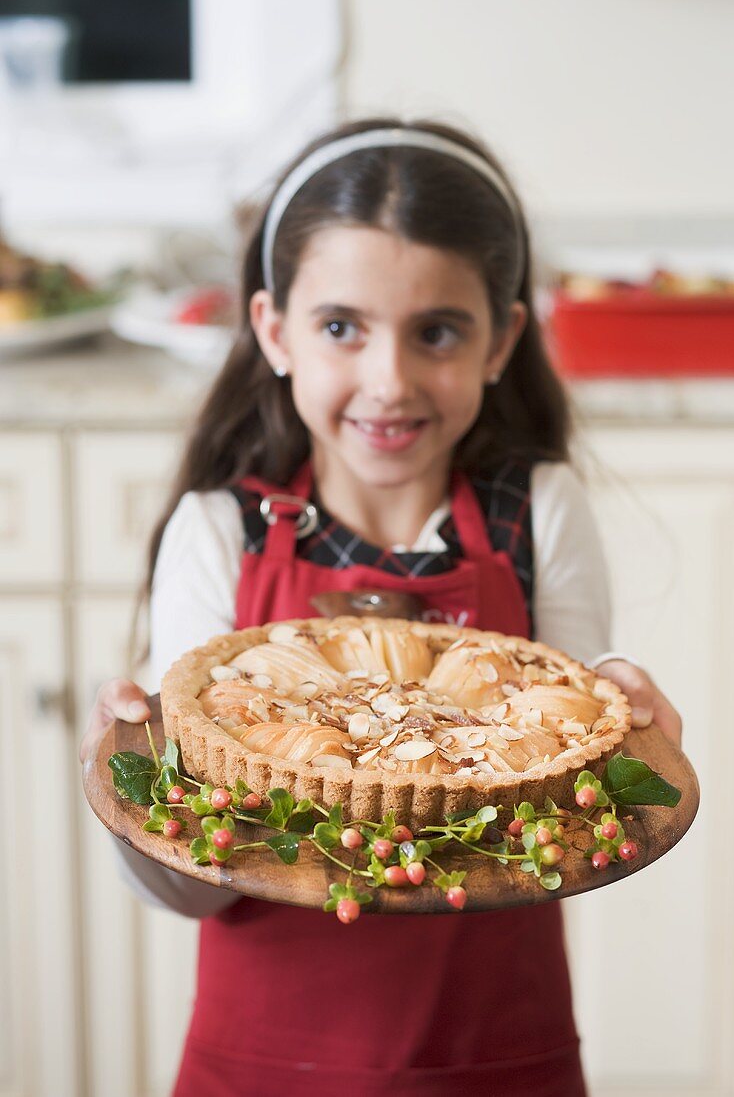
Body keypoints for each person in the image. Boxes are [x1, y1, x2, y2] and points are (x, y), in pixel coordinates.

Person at [81, 117, 682, 1097]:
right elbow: (187, 881)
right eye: (339, 327)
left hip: (497, 1053)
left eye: (435, 331)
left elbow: (569, 799)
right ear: (273, 330)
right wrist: (134, 800)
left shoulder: (537, 512)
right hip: (260, 1058)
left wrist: (622, 746)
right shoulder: (218, 532)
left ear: (502, 341)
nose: (388, 379)